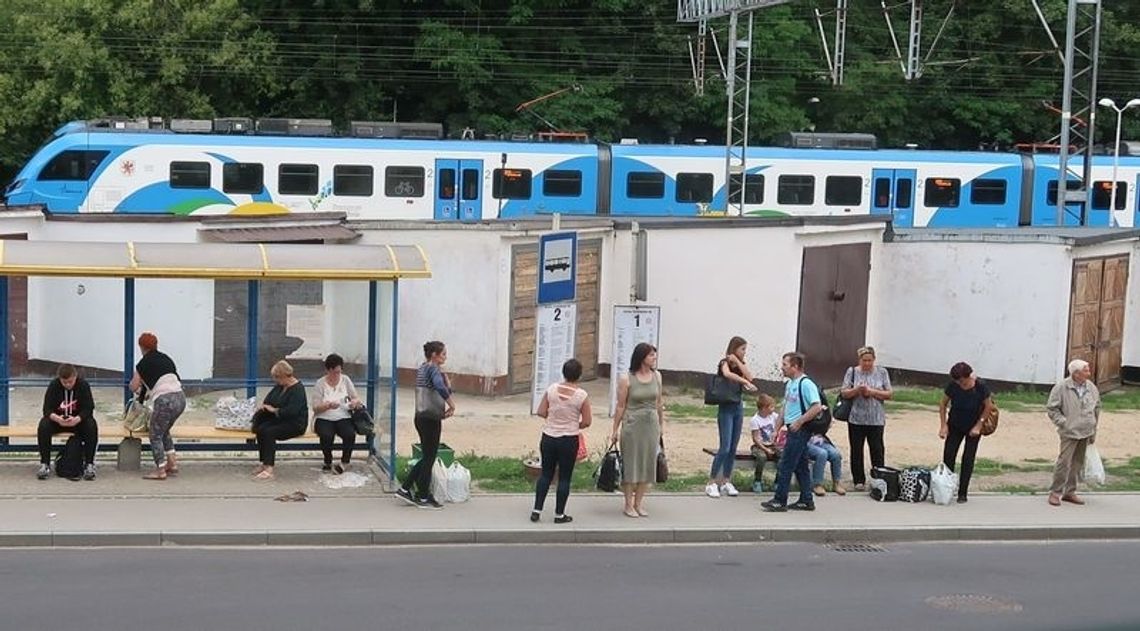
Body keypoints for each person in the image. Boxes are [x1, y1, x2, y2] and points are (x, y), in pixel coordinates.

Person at [530, 358, 592, 524]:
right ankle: (559, 514)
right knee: (564, 477)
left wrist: (554, 418)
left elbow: (541, 412)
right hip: (569, 439)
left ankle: (536, 510)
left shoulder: (551, 390)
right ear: (579, 375)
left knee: (546, 474)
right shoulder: (581, 395)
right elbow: (587, 421)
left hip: (549, 436)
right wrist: (574, 424)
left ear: (563, 373)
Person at [396, 341, 456, 510]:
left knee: (427, 456)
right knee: (429, 457)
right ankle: (422, 496)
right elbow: (439, 387)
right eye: (443, 354)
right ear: (434, 355)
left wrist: (447, 385)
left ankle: (406, 489)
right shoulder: (433, 369)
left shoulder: (423, 368)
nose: (445, 357)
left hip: (421, 417)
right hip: (431, 419)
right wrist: (451, 404)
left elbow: (439, 388)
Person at [610, 342, 665, 518]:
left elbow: (659, 402)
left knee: (648, 464)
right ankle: (628, 504)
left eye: (654, 354)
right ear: (642, 357)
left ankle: (639, 503)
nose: (654, 358)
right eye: (651, 355)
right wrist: (615, 430)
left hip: (651, 425)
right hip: (633, 425)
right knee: (631, 464)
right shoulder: (627, 379)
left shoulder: (657, 376)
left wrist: (661, 425)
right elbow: (621, 405)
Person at [762, 352, 820, 512]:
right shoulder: (790, 384)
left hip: (800, 430)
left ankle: (780, 500)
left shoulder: (806, 384)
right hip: (791, 429)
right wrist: (776, 429)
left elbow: (816, 406)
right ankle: (806, 500)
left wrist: (799, 422)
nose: (782, 368)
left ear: (795, 367)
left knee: (786, 464)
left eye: (785, 365)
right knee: (801, 466)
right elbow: (785, 408)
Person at [706, 336, 758, 498]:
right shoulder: (724, 362)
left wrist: (739, 364)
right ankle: (711, 482)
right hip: (726, 407)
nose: (744, 352)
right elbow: (727, 374)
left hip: (738, 407)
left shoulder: (741, 365)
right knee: (725, 447)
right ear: (734, 348)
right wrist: (744, 381)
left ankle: (726, 480)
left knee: (733, 448)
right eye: (742, 349)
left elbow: (750, 377)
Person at [129, 332, 186, 480]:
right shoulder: (166, 358)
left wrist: (136, 388)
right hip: (180, 398)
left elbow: (134, 386)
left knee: (155, 435)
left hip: (165, 401)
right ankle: (172, 463)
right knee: (164, 430)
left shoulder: (142, 364)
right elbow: (170, 380)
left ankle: (160, 470)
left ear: (141, 347)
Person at [1045, 359, 1100, 507]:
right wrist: (1063, 422)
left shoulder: (1091, 387)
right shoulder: (1062, 387)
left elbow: (1097, 407)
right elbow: (1052, 408)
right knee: (1064, 462)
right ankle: (1055, 492)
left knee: (1077, 463)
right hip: (1069, 431)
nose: (1089, 373)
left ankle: (1070, 492)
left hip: (1086, 430)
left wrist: (1094, 427)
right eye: (1086, 370)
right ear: (1076, 373)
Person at [839, 346, 892, 491]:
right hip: (856, 418)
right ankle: (858, 480)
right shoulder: (852, 372)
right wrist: (857, 390)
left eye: (870, 360)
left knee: (877, 449)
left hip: (876, 419)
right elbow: (844, 392)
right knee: (856, 449)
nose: (867, 363)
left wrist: (872, 392)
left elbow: (889, 394)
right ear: (859, 360)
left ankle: (878, 477)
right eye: (864, 360)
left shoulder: (882, 372)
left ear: (874, 359)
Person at [939, 361, 994, 503]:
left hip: (973, 426)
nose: (959, 383)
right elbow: (943, 403)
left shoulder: (980, 386)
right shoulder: (953, 386)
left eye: (961, 380)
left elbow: (988, 406)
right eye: (956, 381)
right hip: (955, 424)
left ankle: (963, 492)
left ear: (968, 376)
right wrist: (943, 425)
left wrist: (979, 425)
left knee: (968, 458)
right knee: (949, 455)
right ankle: (946, 488)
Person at [37, 363, 98, 481]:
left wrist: (77, 419)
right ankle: (45, 464)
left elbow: (88, 408)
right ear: (59, 379)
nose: (68, 385)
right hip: (59, 421)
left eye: (70, 382)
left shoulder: (83, 385)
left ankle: (89, 464)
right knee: (44, 425)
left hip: (77, 421)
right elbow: (47, 409)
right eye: (64, 382)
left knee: (91, 425)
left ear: (75, 377)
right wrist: (58, 419)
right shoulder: (54, 385)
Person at [251, 360, 308, 481]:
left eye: (277, 377)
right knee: (261, 429)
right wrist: (265, 407)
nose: (275, 380)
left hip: (295, 423)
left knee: (269, 432)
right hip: (281, 420)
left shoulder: (298, 389)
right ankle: (264, 463)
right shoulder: (280, 386)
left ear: (284, 375)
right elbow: (269, 400)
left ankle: (269, 468)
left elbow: (292, 411)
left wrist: (274, 410)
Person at [312, 353, 363, 474]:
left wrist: (354, 402)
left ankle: (345, 462)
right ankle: (327, 461)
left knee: (349, 434)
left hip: (343, 416)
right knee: (326, 435)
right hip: (324, 417)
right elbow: (315, 407)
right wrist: (328, 405)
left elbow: (356, 398)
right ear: (328, 370)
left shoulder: (345, 380)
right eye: (335, 372)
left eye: (339, 372)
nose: (337, 375)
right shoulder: (320, 383)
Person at [748, 393, 781, 494]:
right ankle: (757, 481)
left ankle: (778, 482)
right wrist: (765, 449)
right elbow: (755, 438)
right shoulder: (755, 420)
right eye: (771, 407)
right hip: (759, 446)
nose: (773, 409)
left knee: (783, 457)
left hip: (772, 445)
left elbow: (781, 419)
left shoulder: (773, 416)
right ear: (764, 408)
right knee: (762, 458)